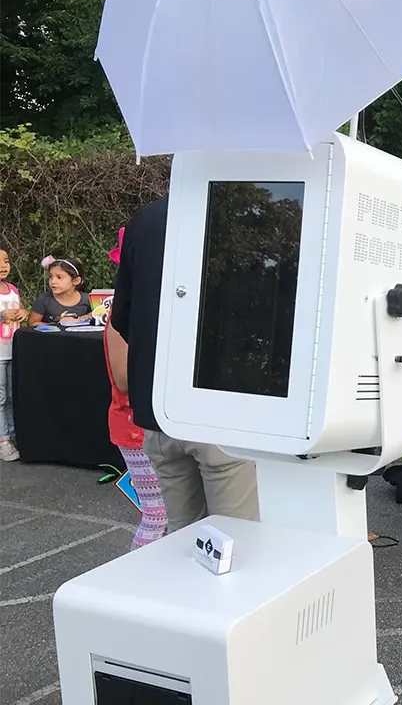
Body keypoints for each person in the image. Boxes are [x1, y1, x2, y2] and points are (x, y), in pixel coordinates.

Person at [111, 197, 259, 533]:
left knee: (183, 539)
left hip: (160, 410)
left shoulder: (146, 219)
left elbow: (123, 317)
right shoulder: (240, 212)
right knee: (236, 541)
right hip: (222, 411)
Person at [104, 227, 167, 550]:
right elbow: (123, 378)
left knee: (172, 517)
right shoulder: (121, 313)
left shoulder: (152, 305)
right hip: (134, 426)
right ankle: (138, 575)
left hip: (155, 424)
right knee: (157, 516)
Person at [0, 248, 27, 462]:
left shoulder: (13, 289)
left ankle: (11, 433)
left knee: (11, 395)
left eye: (6, 261)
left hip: (13, 349)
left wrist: (23, 313)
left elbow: (22, 309)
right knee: (0, 397)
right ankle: (3, 440)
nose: (3, 266)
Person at [29, 255, 93, 325]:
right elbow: (32, 324)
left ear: (76, 281)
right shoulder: (44, 299)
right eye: (51, 276)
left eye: (59, 277)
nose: (53, 281)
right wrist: (58, 325)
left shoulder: (89, 300)